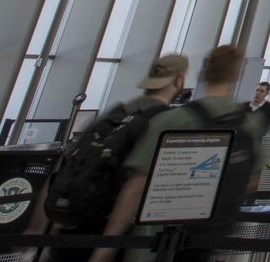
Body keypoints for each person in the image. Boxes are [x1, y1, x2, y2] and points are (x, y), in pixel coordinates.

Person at [91, 45, 264, 262]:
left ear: (203, 73)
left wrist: (106, 247)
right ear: (237, 76)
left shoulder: (171, 120)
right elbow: (251, 180)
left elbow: (137, 186)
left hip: (156, 236)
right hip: (209, 236)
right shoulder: (250, 124)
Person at [34, 55, 185, 262]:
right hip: (118, 230)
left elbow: (65, 164)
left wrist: (37, 227)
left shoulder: (116, 113)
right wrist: (105, 249)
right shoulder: (164, 120)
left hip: (73, 223)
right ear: (179, 81)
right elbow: (135, 186)